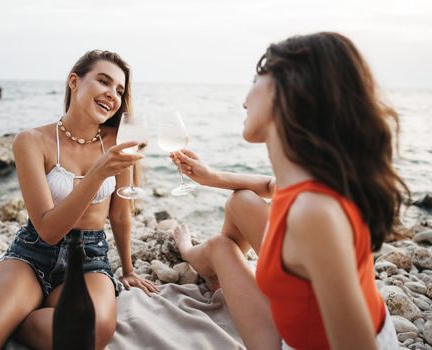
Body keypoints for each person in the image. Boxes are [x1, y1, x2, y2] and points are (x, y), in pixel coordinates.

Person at [0, 50, 158, 350]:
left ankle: (8, 319)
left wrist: (128, 271)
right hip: (33, 255)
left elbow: (120, 213)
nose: (112, 94)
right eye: (103, 81)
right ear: (74, 82)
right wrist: (98, 171)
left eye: (119, 90)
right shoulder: (30, 141)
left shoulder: (118, 140)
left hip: (89, 260)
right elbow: (48, 230)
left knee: (87, 334)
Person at [171, 32, 406, 349]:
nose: (244, 99)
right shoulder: (310, 178)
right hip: (313, 323)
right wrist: (210, 176)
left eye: (256, 80)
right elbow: (268, 186)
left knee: (219, 246)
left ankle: (192, 254)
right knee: (240, 201)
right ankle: (201, 261)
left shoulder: (314, 214)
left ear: (288, 90)